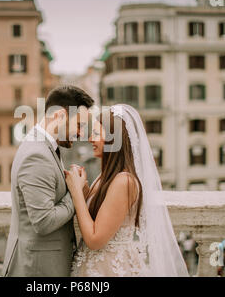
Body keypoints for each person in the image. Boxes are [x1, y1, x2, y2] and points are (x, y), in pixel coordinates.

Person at [65, 104, 189, 276]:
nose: (90, 139)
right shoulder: (104, 177)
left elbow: (94, 239)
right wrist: (84, 188)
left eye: (96, 133)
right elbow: (95, 217)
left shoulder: (125, 181)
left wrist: (77, 193)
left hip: (111, 269)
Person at [2, 85, 94, 277]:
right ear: (59, 116)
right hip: (37, 269)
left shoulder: (44, 147)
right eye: (79, 125)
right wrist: (75, 193)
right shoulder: (37, 155)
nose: (80, 134)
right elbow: (43, 222)